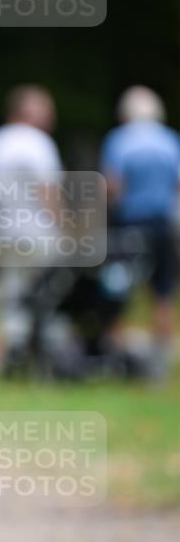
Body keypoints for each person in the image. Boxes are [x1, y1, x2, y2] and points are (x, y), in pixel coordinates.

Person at [0, 85, 63, 366]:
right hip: (38, 230)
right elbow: (47, 191)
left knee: (10, 292)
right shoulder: (38, 142)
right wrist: (64, 227)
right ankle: (39, 351)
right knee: (45, 293)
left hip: (3, 230)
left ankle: (11, 352)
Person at [100, 86, 180, 376]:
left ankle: (113, 353)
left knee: (117, 289)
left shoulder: (119, 141)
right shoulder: (171, 140)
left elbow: (113, 185)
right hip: (162, 225)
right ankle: (162, 360)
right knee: (163, 291)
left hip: (130, 226)